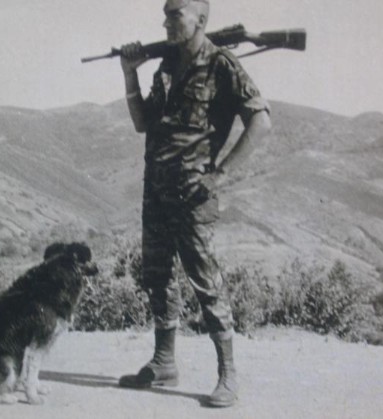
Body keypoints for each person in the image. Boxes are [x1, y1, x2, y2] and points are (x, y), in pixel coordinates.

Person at [117, 0, 272, 408]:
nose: (165, 21)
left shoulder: (221, 64)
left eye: (174, 13)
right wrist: (130, 75)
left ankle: (228, 375)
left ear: (200, 19)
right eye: (165, 14)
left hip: (193, 196)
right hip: (157, 191)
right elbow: (142, 123)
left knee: (206, 283)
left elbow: (261, 119)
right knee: (157, 276)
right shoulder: (165, 66)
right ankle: (165, 362)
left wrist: (220, 173)